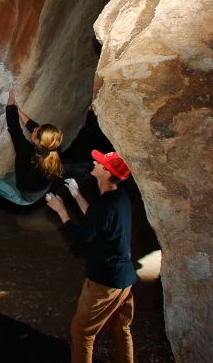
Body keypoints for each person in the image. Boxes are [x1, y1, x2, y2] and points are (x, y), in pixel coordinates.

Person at [45, 150, 137, 363]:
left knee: (82, 333)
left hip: (105, 282)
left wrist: (61, 210)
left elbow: (82, 235)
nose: (95, 162)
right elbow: (96, 222)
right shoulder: (119, 198)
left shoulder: (105, 204)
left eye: (101, 162)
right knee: (121, 327)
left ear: (106, 172)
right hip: (125, 278)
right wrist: (77, 196)